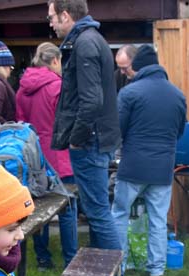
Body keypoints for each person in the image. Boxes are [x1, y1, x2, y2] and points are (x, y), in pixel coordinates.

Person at [48, 0, 121, 254]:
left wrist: (77, 139)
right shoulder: (89, 40)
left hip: (90, 141)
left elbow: (91, 101)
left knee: (98, 212)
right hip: (96, 139)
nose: (50, 23)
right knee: (96, 211)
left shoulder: (85, 43)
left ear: (65, 15)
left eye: (52, 17)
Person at [111, 45, 187, 276]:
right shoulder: (177, 95)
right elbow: (180, 131)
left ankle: (119, 265)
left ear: (139, 66)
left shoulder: (129, 93)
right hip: (163, 168)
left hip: (133, 166)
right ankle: (156, 268)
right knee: (157, 219)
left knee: (120, 214)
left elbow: (118, 130)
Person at [16, 42, 78, 269]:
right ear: (54, 61)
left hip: (33, 158)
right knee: (68, 209)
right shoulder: (58, 87)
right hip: (60, 156)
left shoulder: (22, 89)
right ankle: (70, 259)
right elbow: (67, 123)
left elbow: (22, 124)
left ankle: (43, 258)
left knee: (36, 211)